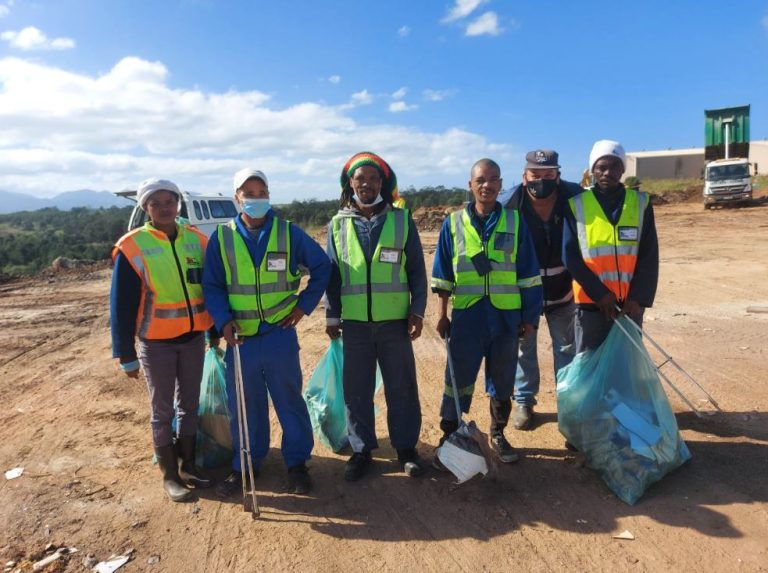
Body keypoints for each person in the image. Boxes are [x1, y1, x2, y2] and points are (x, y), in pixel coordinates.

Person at [202, 168, 331, 496]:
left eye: (262, 193)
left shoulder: (289, 233)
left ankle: (297, 464)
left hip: (278, 335)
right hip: (240, 339)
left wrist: (303, 307)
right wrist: (223, 322)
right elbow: (212, 285)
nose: (256, 199)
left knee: (289, 401)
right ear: (237, 198)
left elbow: (322, 267)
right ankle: (246, 463)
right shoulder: (222, 238)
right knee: (245, 405)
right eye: (249, 194)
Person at [432, 158, 543, 465]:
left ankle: (498, 433)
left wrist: (530, 319)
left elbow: (529, 275)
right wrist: (442, 314)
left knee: (503, 379)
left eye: (493, 179)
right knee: (457, 378)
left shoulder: (515, 222)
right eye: (481, 180)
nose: (487, 185)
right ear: (470, 185)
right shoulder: (453, 224)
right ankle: (450, 434)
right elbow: (443, 275)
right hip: (467, 316)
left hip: (506, 317)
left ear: (501, 184)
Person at [325, 151, 427, 481]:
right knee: (356, 390)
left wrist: (417, 311)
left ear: (382, 183)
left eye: (373, 178)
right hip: (355, 324)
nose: (366, 183)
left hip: (394, 323)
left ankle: (406, 449)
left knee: (402, 387)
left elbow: (416, 270)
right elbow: (332, 275)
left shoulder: (401, 220)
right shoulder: (338, 224)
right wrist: (332, 316)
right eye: (360, 178)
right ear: (350, 184)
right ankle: (361, 450)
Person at [110, 178, 214, 502]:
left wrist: (214, 329)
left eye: (170, 201)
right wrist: (125, 354)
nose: (164, 208)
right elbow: (121, 305)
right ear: (146, 208)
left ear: (178, 204)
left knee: (190, 405)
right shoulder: (132, 247)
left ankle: (189, 465)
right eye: (156, 204)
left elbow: (209, 289)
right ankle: (170, 476)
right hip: (156, 343)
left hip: (194, 339)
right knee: (162, 410)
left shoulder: (197, 240)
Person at [504, 150, 581, 430]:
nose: (542, 180)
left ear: (558, 176)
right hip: (526, 293)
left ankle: (568, 403)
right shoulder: (510, 204)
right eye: (535, 174)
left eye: (548, 174)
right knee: (523, 348)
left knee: (567, 348)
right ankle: (524, 401)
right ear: (524, 176)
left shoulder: (575, 198)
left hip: (563, 290)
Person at [563, 140, 659, 354]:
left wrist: (637, 298)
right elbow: (570, 256)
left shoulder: (640, 203)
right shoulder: (577, 205)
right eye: (601, 167)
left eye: (615, 166)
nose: (608, 172)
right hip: (591, 304)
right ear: (592, 170)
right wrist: (600, 294)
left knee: (626, 363)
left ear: (623, 169)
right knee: (589, 364)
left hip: (629, 306)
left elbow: (649, 255)